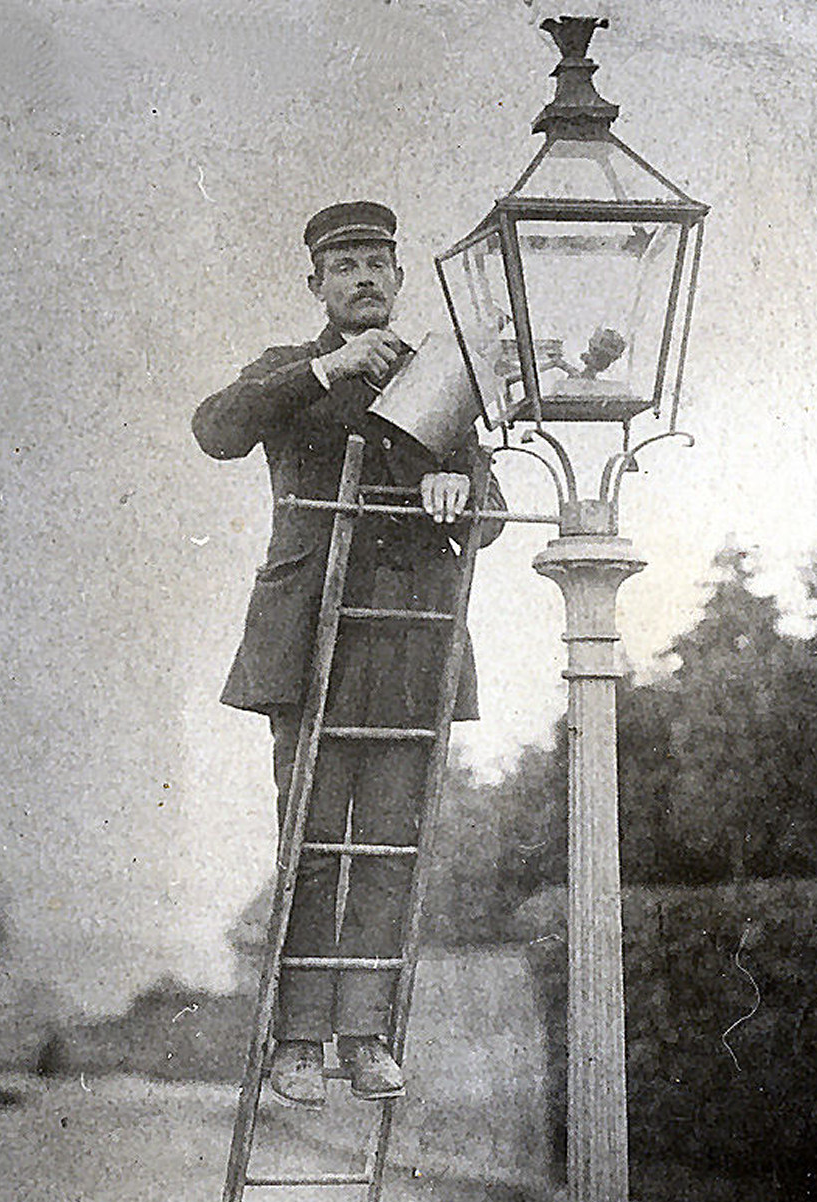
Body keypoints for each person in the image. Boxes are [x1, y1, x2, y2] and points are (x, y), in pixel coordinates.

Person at [192, 201, 504, 1110]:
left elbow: (487, 517)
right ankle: (295, 1043)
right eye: (346, 267)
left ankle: (365, 1037)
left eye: (378, 263)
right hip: (309, 646)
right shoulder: (287, 372)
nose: (365, 278)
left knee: (390, 850)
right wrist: (326, 369)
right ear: (317, 286)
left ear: (400, 278)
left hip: (411, 646)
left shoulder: (441, 378)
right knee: (312, 844)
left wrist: (458, 480)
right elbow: (217, 431)